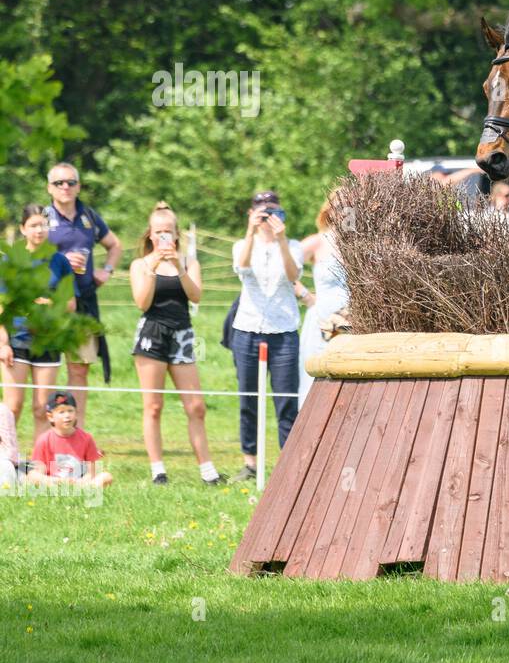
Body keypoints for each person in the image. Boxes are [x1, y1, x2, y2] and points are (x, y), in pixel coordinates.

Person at [129, 202, 225, 486]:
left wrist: (179, 268)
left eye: (168, 231)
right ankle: (158, 470)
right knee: (153, 406)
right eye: (158, 231)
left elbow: (196, 296)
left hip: (182, 333)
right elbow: (142, 302)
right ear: (150, 234)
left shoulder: (189, 262)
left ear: (176, 234)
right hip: (152, 333)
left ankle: (208, 470)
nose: (163, 236)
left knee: (196, 406)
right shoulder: (140, 265)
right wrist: (154, 267)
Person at [44, 162, 123, 429]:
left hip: (83, 302)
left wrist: (106, 271)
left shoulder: (89, 216)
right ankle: (46, 438)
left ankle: (76, 434)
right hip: (51, 302)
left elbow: (115, 245)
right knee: (46, 370)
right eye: (59, 183)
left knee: (79, 369)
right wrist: (61, 260)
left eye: (71, 182)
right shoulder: (42, 219)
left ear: (78, 186)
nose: (65, 187)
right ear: (49, 188)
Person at [230, 190, 302, 482]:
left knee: (286, 399)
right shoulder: (242, 244)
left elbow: (293, 276)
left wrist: (281, 240)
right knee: (248, 398)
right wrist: (250, 232)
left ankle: (288, 463)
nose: (267, 217)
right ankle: (250, 462)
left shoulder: (293, 245)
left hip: (283, 331)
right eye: (261, 212)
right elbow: (242, 268)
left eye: (272, 211)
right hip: (248, 329)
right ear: (251, 214)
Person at [1, 204, 76, 440]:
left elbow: (71, 304)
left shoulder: (60, 262)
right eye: (33, 225)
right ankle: (6, 456)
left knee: (43, 408)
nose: (39, 230)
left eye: (43, 225)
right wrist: (3, 343)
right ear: (23, 228)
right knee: (12, 407)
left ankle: (39, 459)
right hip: (16, 341)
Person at [298, 195, 349, 406]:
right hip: (323, 318)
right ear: (329, 210)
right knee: (317, 371)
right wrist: (305, 296)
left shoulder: (360, 243)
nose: (346, 211)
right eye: (340, 206)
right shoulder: (317, 242)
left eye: (351, 206)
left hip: (352, 319)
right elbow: (283, 268)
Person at [28, 391, 111, 487]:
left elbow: (92, 471)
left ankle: (81, 489)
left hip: (79, 482)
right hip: (54, 481)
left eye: (70, 411)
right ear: (50, 417)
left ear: (76, 413)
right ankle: (58, 488)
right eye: (61, 412)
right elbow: (38, 471)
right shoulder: (44, 440)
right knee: (32, 476)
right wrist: (54, 481)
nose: (67, 415)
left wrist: (81, 482)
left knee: (106, 477)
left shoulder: (86, 438)